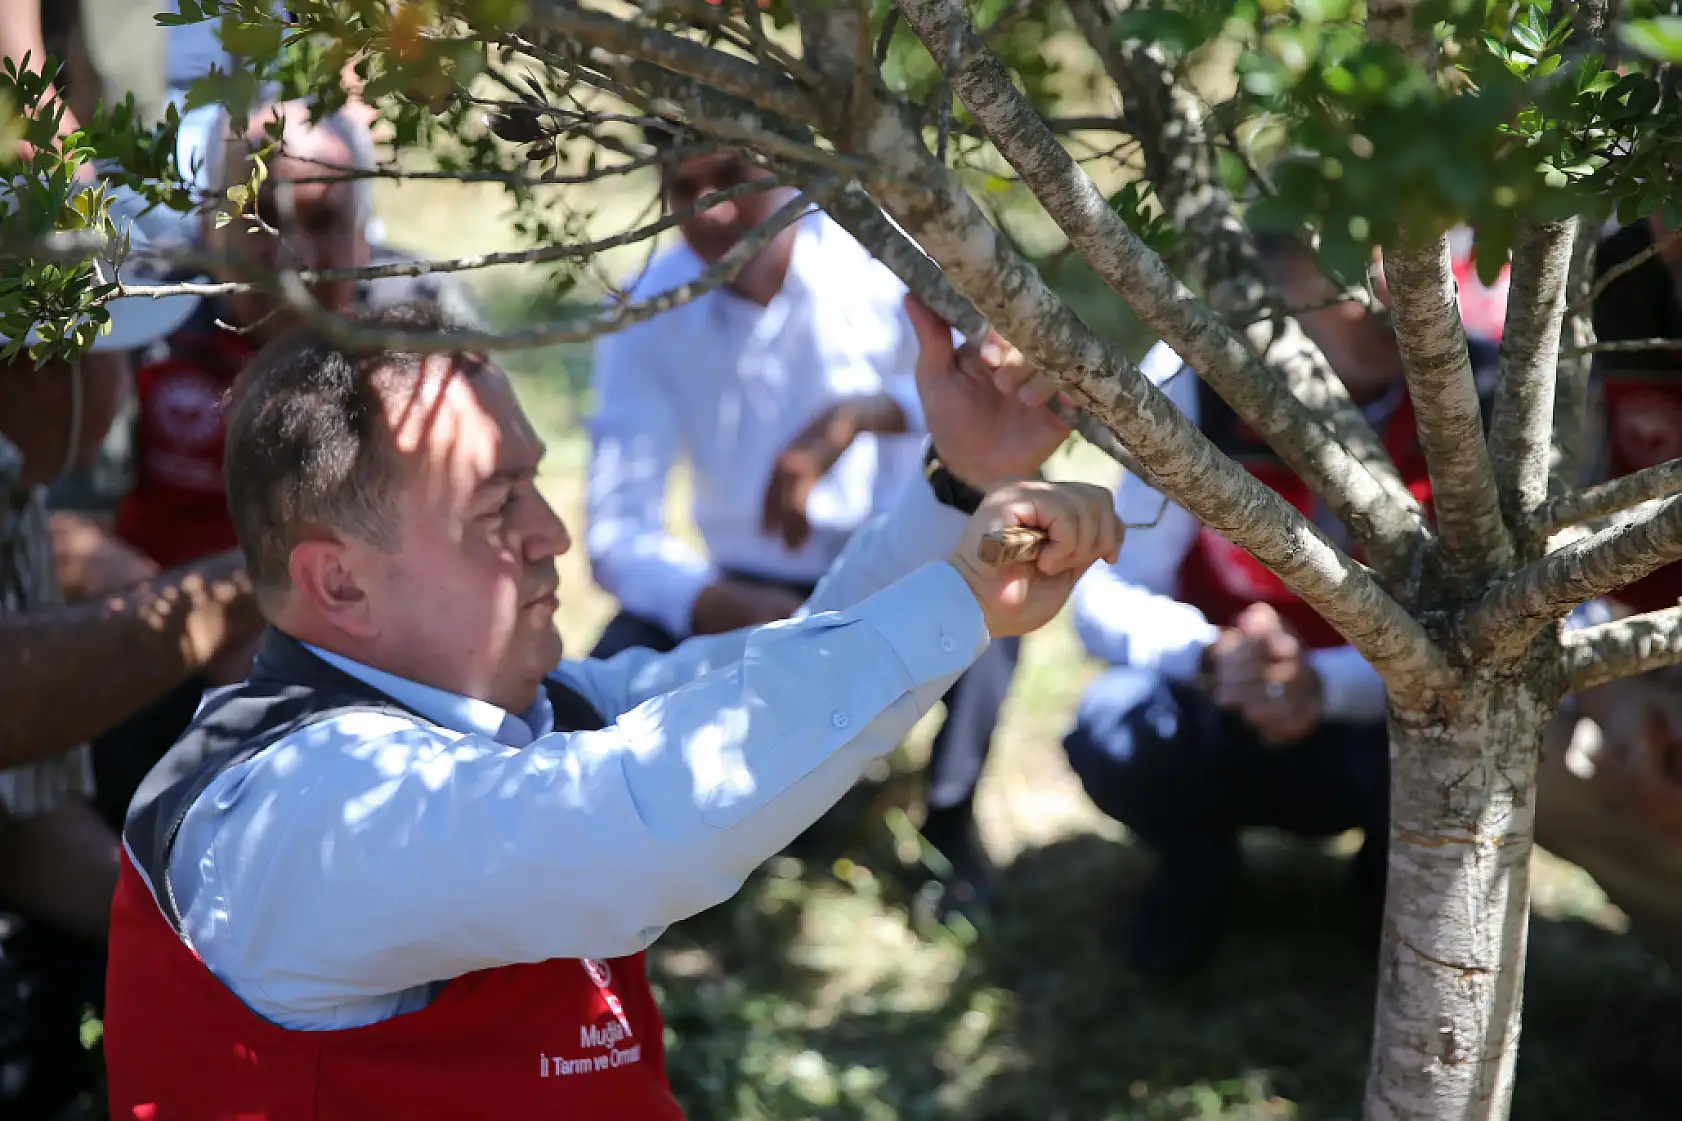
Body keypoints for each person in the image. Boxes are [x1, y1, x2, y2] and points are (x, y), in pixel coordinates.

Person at [102, 297, 1102, 1118]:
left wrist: (959, 483)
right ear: (341, 583)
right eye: (497, 505)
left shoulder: (529, 710)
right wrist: (961, 594)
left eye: (532, 483)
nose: (552, 533)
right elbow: (635, 824)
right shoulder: (293, 810)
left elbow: (765, 689)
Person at [587, 132, 1022, 918]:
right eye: (682, 187)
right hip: (740, 583)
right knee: (610, 666)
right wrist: (714, 602)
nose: (711, 210)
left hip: (897, 557)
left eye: (729, 175)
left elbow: (984, 388)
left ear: (784, 165)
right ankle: (655, 855)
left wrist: (859, 415)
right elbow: (618, 529)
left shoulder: (876, 260)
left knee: (991, 597)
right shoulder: (649, 304)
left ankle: (950, 822)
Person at [1061, 234, 1501, 978]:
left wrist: (1327, 684)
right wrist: (1211, 655)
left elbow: (1509, 633)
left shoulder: (1483, 394)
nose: (1389, 297)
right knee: (1114, 722)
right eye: (1351, 271)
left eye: (1416, 264)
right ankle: (1196, 868)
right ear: (1275, 284)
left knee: (1485, 745)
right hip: (1222, 702)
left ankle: (1397, 905)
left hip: (1390, 726)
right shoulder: (1196, 378)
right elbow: (1107, 591)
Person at [0, 187, 262, 1117]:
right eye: (116, 352)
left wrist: (203, 953)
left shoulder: (18, 492)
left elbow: (24, 825)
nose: (135, 375)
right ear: (41, 365)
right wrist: (239, 586)